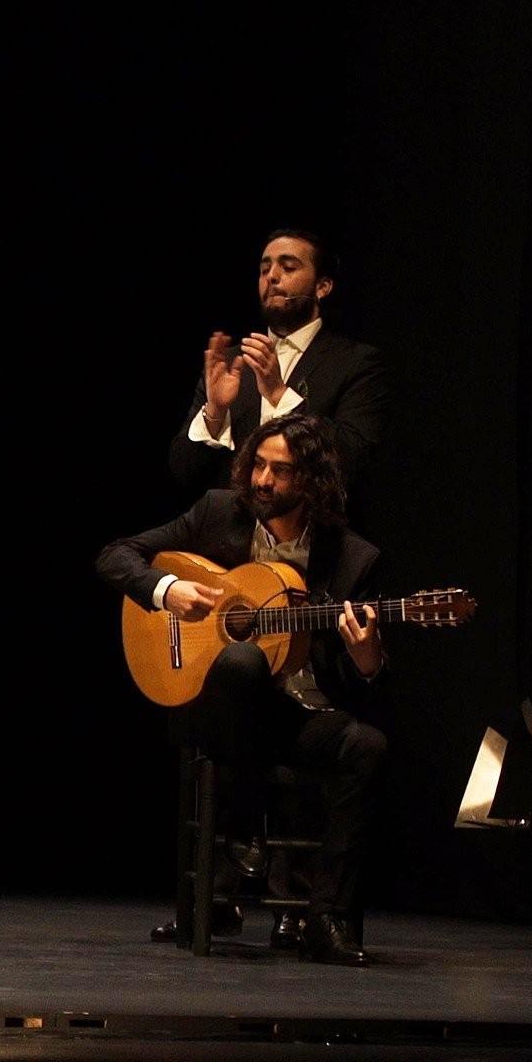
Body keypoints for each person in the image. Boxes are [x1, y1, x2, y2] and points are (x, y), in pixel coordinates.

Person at [99, 412, 388, 966]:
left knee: (368, 745)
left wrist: (366, 655)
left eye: (280, 471)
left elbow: (367, 679)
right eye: (258, 464)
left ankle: (324, 917)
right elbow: (114, 555)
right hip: (210, 706)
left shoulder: (352, 558)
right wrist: (167, 589)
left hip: (295, 715)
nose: (261, 480)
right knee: (240, 660)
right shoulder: (217, 514)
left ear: (312, 483)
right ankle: (245, 820)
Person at [168, 228, 391, 519]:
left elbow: (352, 460)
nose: (271, 277)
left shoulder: (356, 362)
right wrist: (215, 411)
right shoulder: (234, 362)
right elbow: (182, 471)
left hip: (312, 541)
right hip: (228, 545)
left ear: (322, 287)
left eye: (288, 267)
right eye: (264, 269)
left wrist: (278, 395)